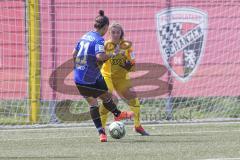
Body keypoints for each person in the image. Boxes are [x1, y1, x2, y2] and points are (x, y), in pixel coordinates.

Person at [73, 10, 134, 142]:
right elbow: (100, 56)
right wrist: (113, 54)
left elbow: (74, 54)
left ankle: (103, 132)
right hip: (92, 76)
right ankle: (117, 115)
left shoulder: (84, 36)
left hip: (78, 77)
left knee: (97, 101)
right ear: (106, 27)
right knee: (105, 97)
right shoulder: (99, 40)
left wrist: (80, 67)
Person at [99, 22, 149, 136]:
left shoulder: (127, 46)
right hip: (107, 76)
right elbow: (99, 60)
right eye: (113, 32)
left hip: (122, 78)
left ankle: (137, 126)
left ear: (121, 33)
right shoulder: (105, 45)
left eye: (118, 32)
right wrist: (112, 55)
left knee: (134, 100)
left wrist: (125, 60)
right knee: (108, 98)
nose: (115, 34)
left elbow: (133, 66)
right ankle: (101, 130)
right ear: (109, 33)